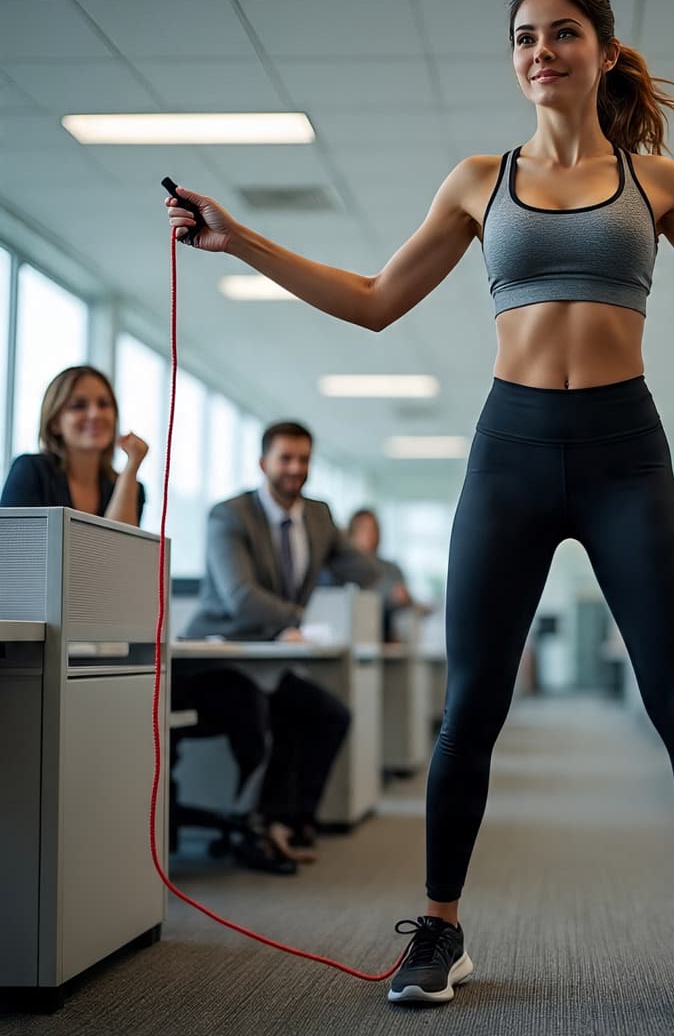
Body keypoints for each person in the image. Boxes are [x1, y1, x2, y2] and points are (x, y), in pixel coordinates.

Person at [163, 0, 674, 1007]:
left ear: (599, 50)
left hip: (625, 452)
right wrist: (241, 240)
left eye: (560, 34)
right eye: (523, 38)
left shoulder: (656, 181)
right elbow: (372, 303)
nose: (540, 51)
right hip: (510, 450)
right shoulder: (475, 178)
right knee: (471, 709)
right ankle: (439, 933)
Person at [173, 421, 379, 874]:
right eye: (285, 458)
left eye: (303, 459)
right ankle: (256, 830)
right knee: (261, 713)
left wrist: (346, 554)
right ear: (263, 462)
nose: (295, 468)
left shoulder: (318, 517)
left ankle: (291, 820)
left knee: (329, 714)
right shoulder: (230, 516)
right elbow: (239, 597)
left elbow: (363, 571)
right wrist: (297, 617)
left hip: (271, 660)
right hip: (216, 656)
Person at [1, 365, 147, 525]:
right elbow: (11, 546)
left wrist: (132, 467)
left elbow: (119, 548)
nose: (95, 414)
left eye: (104, 404)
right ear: (55, 422)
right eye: (78, 405)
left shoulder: (131, 488)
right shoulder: (31, 470)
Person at [348, 508, 431, 641]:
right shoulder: (343, 569)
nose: (370, 535)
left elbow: (407, 602)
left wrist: (407, 600)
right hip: (357, 637)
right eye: (364, 529)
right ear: (351, 534)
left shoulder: (392, 569)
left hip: (392, 638)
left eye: (374, 529)